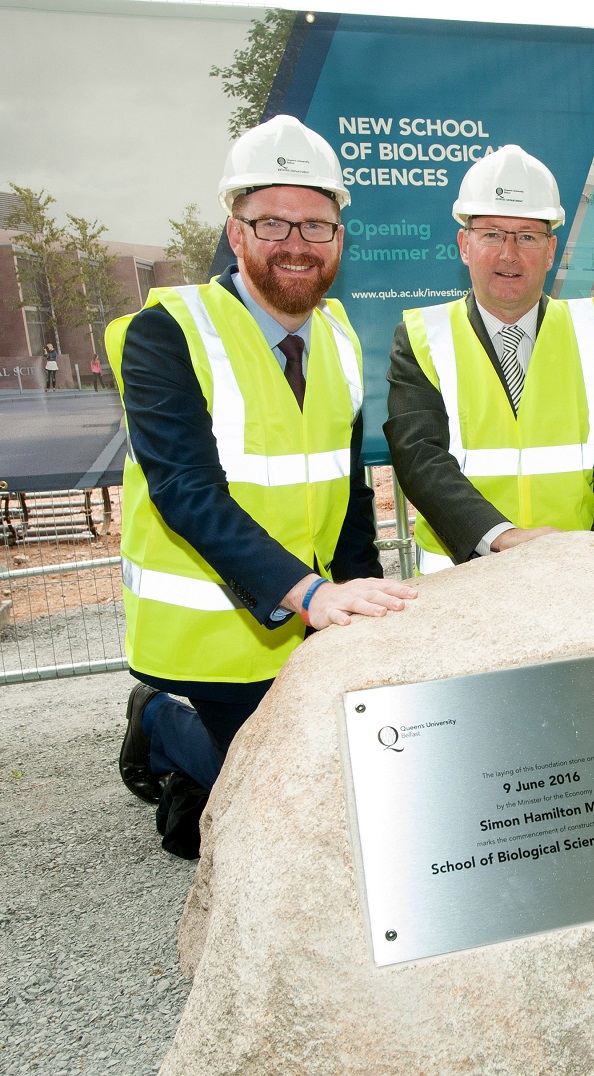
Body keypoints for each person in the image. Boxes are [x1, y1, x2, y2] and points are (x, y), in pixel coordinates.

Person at [107, 115, 415, 858]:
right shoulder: (168, 331)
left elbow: (343, 497)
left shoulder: (338, 334)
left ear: (340, 236)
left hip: (306, 620)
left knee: (366, 782)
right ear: (235, 231)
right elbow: (185, 490)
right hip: (210, 635)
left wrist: (359, 602)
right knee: (294, 803)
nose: (297, 244)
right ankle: (160, 723)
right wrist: (309, 595)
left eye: (318, 225)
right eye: (272, 222)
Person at [384, 145, 594, 572]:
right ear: (464, 245)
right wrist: (501, 539)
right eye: (491, 234)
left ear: (550, 250)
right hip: (464, 580)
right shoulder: (422, 337)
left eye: (527, 235)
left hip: (582, 572)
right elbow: (420, 457)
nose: (509, 253)